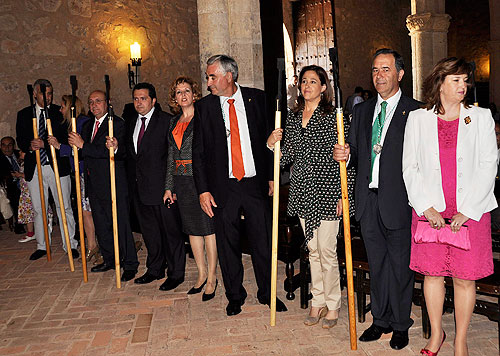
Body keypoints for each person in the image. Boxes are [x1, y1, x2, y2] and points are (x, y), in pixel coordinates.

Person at [403, 57, 496, 356]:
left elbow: (488, 165)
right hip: (430, 211)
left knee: (464, 278)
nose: (463, 86)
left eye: (465, 80)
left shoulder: (480, 118)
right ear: (440, 82)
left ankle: (461, 340)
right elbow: (410, 167)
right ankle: (436, 334)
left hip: (469, 211)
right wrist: (425, 207)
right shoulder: (418, 119)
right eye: (456, 80)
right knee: (432, 275)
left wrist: (468, 209)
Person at [333, 48, 420, 350]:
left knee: (401, 267)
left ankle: (400, 323)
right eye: (375, 70)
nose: (379, 75)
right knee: (377, 265)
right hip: (368, 201)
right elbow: (356, 154)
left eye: (385, 69)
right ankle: (380, 320)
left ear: (400, 74)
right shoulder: (362, 110)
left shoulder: (417, 112)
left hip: (399, 201)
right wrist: (345, 155)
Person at [192, 54, 287, 316]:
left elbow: (269, 140)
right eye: (208, 76)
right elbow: (198, 153)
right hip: (224, 185)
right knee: (227, 242)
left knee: (263, 240)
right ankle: (235, 295)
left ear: (229, 76)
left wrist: (271, 176)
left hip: (255, 182)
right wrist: (203, 190)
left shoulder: (257, 99)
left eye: (212, 76)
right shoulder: (205, 108)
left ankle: (267, 293)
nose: (208, 82)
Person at [267, 65, 355, 328]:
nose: (307, 86)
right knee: (312, 251)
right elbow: (286, 158)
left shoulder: (335, 117)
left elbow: (346, 160)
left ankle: (333, 304)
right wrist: (272, 143)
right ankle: (317, 301)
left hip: (328, 190)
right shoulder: (293, 118)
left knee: (327, 251)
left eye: (313, 82)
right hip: (303, 190)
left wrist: (344, 195)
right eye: (303, 81)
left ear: (324, 88)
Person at [107, 82, 186, 289]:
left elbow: (173, 156)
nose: (139, 102)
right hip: (139, 189)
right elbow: (128, 154)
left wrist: (172, 188)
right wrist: (116, 148)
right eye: (135, 98)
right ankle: (155, 269)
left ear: (153, 100)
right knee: (150, 233)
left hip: (163, 189)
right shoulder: (130, 122)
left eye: (143, 98)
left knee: (171, 233)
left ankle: (176, 273)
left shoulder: (167, 121)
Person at [69, 90, 138, 281]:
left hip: (114, 181)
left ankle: (130, 263)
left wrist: (84, 145)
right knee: (101, 223)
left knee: (121, 224)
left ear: (107, 102)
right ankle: (110, 258)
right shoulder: (88, 124)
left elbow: (118, 151)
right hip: (94, 182)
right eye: (91, 102)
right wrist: (73, 146)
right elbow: (85, 153)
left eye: (98, 101)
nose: (93, 105)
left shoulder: (117, 123)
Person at [164, 76, 217, 300]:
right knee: (192, 230)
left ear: (194, 94)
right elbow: (170, 157)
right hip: (182, 181)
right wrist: (169, 186)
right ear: (174, 97)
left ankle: (213, 277)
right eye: (178, 92)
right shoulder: (173, 122)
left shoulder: (203, 118)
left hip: (201, 180)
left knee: (208, 230)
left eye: (187, 91)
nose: (183, 95)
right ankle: (201, 273)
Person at [16, 79, 79, 260]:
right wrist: (30, 145)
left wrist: (48, 143)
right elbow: (20, 138)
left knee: (64, 206)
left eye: (50, 93)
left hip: (57, 165)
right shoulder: (24, 114)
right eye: (44, 94)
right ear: (35, 94)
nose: (48, 97)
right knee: (39, 208)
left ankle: (70, 244)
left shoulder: (59, 113)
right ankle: (43, 245)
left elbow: (68, 137)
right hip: (35, 166)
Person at [48, 95, 99, 263]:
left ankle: (97, 245)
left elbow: (82, 151)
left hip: (88, 172)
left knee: (89, 212)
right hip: (79, 172)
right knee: (86, 212)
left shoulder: (83, 122)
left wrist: (59, 147)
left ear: (70, 107)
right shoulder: (71, 125)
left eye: (63, 107)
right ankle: (92, 245)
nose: (60, 110)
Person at [0, 136, 24, 233]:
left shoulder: (19, 153)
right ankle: (19, 224)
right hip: (10, 184)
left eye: (9, 145)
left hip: (25, 180)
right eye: (4, 145)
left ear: (13, 146)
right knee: (14, 195)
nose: (7, 148)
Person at [15, 150, 35, 243]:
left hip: (30, 192)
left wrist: (20, 175)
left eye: (22, 152)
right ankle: (30, 233)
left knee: (31, 212)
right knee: (27, 214)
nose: (19, 153)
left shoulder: (30, 163)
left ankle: (34, 232)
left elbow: (31, 175)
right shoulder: (22, 163)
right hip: (24, 192)